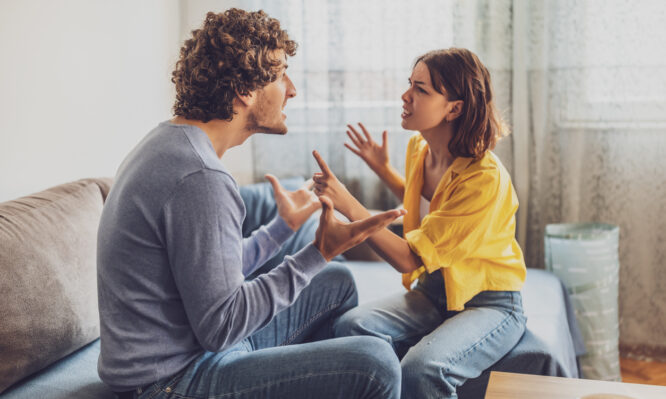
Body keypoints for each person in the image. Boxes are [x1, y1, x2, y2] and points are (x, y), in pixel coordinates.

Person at [96, 9, 404, 399]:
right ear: (244, 90)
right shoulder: (200, 178)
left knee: (336, 282)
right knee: (375, 364)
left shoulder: (170, 144)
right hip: (169, 382)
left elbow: (208, 274)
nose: (291, 89)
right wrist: (320, 251)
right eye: (280, 75)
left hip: (190, 354)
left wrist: (282, 229)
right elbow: (222, 325)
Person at [311, 48, 528, 398]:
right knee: (351, 327)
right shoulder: (420, 148)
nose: (405, 95)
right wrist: (383, 169)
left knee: (423, 369)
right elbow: (430, 208)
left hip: (488, 302)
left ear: (454, 108)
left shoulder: (484, 180)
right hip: (432, 292)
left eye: (421, 89)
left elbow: (410, 257)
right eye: (410, 84)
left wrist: (350, 205)